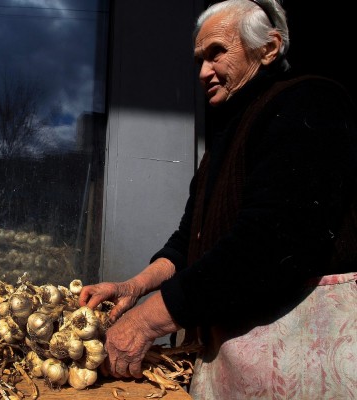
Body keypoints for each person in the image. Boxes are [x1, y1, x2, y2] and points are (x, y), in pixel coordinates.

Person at [79, 0, 357, 398]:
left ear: (269, 48)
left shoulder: (308, 103)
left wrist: (148, 321)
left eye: (217, 53)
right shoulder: (229, 134)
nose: (204, 71)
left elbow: (267, 244)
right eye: (199, 60)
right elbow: (186, 241)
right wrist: (134, 287)